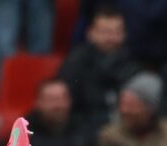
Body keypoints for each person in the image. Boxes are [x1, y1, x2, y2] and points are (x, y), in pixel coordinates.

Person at [57, 5, 139, 133]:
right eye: (105, 32)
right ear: (90, 33)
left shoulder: (134, 62)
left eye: (117, 32)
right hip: (84, 132)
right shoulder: (75, 63)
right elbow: (68, 108)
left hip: (126, 133)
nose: (111, 38)